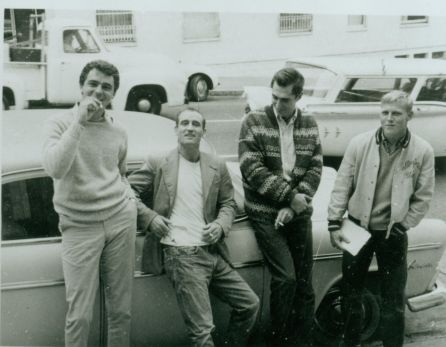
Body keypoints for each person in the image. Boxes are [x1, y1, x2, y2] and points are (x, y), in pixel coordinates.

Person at [128, 108, 260, 347]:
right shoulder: (159, 161)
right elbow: (127, 192)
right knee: (202, 332)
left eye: (196, 124)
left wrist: (221, 224)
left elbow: (228, 202)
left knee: (250, 304)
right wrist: (149, 218)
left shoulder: (216, 165)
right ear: (176, 130)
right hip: (181, 254)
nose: (190, 127)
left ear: (203, 132)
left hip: (211, 251)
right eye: (185, 123)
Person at [327, 90, 435, 347]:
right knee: (351, 294)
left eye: (396, 113)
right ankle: (351, 343)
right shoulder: (359, 143)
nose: (389, 118)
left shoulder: (422, 151)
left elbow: (424, 196)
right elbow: (342, 184)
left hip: (393, 233)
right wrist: (334, 221)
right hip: (356, 227)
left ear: (409, 116)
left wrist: (405, 225)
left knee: (393, 300)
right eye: (385, 113)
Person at [42, 60, 137, 347]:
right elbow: (55, 168)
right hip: (79, 227)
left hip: (120, 220)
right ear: (81, 87)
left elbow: (119, 173)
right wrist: (79, 122)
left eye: (106, 87)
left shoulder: (118, 130)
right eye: (93, 84)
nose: (99, 91)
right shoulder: (59, 123)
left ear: (113, 94)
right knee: (79, 315)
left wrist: (129, 197)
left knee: (120, 311)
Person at [238, 67, 323, 347]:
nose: (277, 104)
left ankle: (301, 342)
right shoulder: (253, 120)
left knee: (304, 284)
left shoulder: (309, 123)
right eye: (274, 96)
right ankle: (279, 341)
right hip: (264, 212)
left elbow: (315, 166)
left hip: (297, 210)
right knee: (286, 279)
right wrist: (289, 198)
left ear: (298, 96)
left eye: (284, 99)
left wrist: (296, 204)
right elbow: (252, 168)